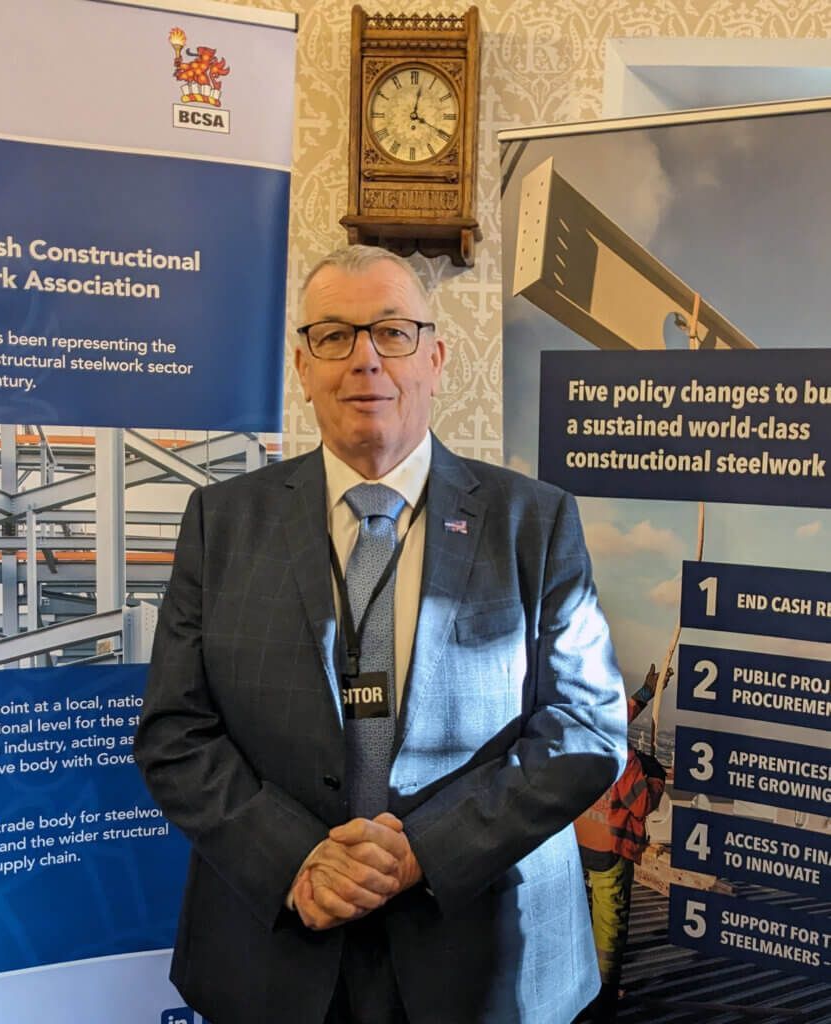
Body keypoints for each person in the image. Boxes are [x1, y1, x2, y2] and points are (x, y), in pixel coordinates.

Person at [135, 245, 627, 1024]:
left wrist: (421, 851)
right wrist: (296, 859)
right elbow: (175, 731)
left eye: (392, 332)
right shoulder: (221, 521)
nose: (365, 359)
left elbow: (584, 729)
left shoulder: (533, 521)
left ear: (435, 357)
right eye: (334, 336)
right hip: (276, 947)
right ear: (302, 365)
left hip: (486, 950)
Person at [575, 663, 671, 1021]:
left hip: (584, 841)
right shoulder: (623, 756)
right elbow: (643, 803)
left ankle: (585, 988)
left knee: (585, 919)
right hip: (612, 849)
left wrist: (646, 693)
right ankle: (604, 997)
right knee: (610, 929)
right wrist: (656, 777)